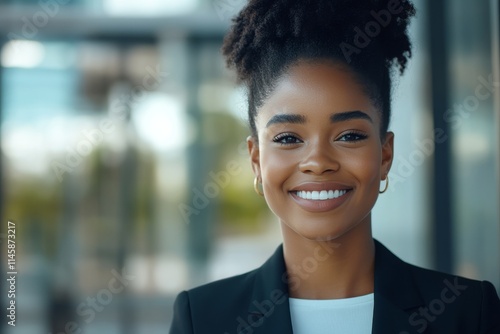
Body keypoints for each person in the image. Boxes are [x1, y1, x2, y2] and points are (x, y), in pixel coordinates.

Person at [169, 0, 500, 333]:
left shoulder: (468, 312)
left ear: (385, 156)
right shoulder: (203, 319)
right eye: (287, 139)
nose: (318, 162)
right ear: (256, 159)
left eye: (350, 135)